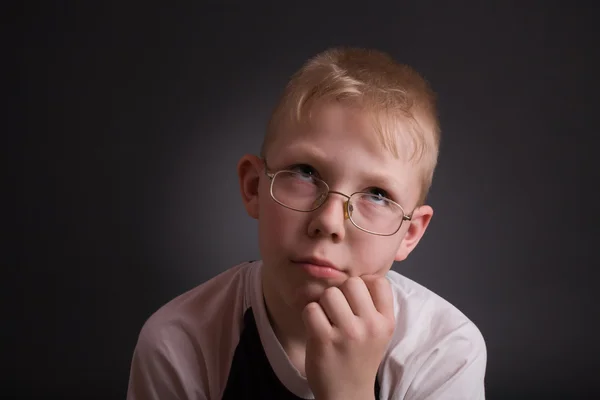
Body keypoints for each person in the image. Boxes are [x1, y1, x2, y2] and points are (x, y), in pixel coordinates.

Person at [126, 46, 487, 400]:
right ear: (254, 187)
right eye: (305, 172)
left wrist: (348, 393)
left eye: (377, 194)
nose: (329, 221)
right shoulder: (179, 344)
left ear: (409, 233)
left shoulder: (445, 351)